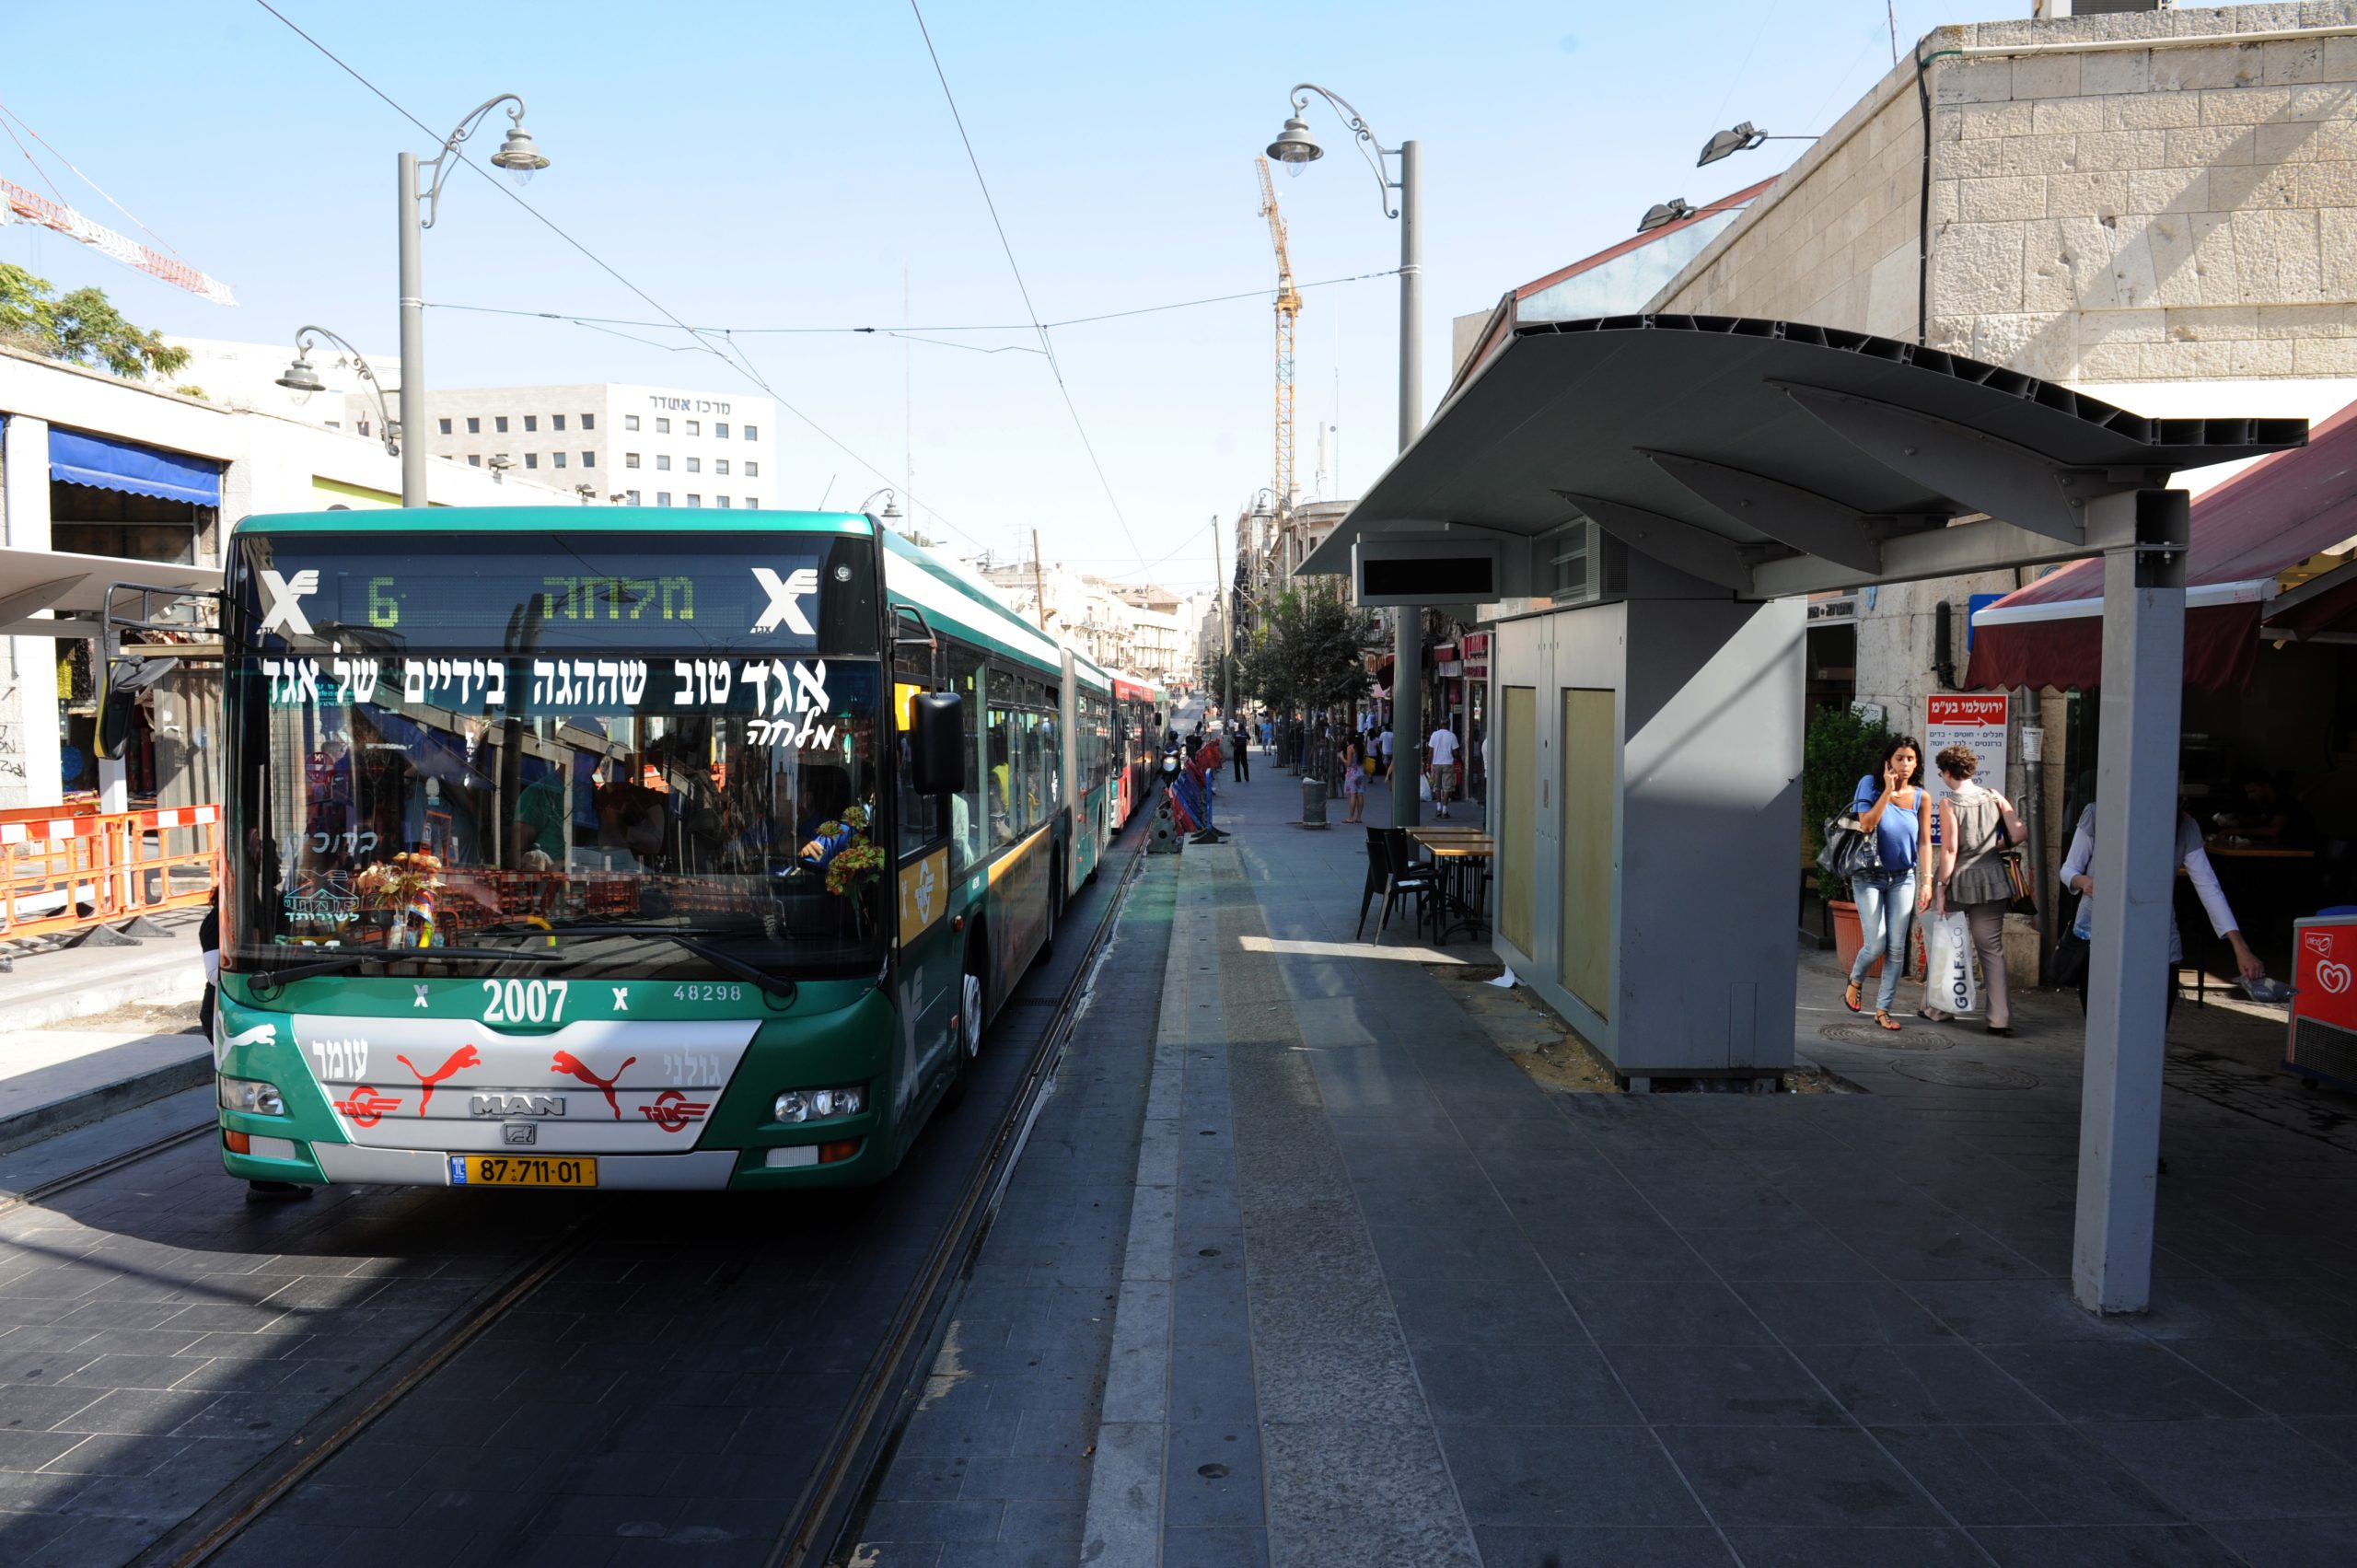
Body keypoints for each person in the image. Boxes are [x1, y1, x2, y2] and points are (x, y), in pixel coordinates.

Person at [2061, 804, 2266, 1016]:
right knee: (2101, 1025)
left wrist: (2240, 947)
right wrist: (2084, 882)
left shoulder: (2184, 824)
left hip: (2159, 945)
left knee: (2152, 1032)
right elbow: (2069, 869)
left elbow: (2209, 888)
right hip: (2099, 940)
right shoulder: (2099, 811)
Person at [1923, 745, 2029, 1035]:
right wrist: (1994, 848)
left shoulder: (1949, 804)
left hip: (1960, 879)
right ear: (1971, 770)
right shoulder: (1994, 797)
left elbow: (1950, 849)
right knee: (1992, 950)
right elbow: (2020, 832)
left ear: (1947, 772)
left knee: (1949, 945)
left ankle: (1940, 1008)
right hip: (1994, 878)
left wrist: (1941, 886)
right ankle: (1999, 1019)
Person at [1841, 736, 1930, 1032]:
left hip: (1903, 877)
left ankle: (1883, 1010)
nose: (1904, 765)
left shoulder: (1921, 797)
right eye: (1899, 758)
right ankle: (1855, 979)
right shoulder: (1870, 784)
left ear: (1917, 764)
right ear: (1888, 761)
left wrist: (1927, 881)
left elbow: (1925, 843)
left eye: (1910, 759)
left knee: (1895, 950)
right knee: (1876, 942)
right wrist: (1888, 791)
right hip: (1868, 875)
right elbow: (1867, 823)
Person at [2215, 768, 2317, 850]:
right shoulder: (2271, 805)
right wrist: (2236, 816)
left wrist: (2239, 831)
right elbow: (2260, 822)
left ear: (2266, 786)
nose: (2250, 796)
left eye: (2253, 791)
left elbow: (2273, 830)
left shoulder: (2284, 803)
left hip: (2297, 855)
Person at [1427, 723, 1462, 819]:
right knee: (1447, 787)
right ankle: (1444, 811)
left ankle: (1438, 808)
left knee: (1437, 786)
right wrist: (1460, 761)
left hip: (1436, 763)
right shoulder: (1452, 736)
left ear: (1440, 724)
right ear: (1449, 724)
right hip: (1448, 763)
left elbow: (1430, 751)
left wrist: (1428, 762)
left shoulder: (1434, 734)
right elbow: (1456, 752)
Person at [1339, 728, 1368, 823]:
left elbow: (1348, 763)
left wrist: (1342, 758)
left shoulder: (1350, 748)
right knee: (1360, 794)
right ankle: (1359, 817)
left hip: (1352, 773)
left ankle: (1350, 817)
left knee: (1353, 795)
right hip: (1361, 772)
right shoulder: (1362, 746)